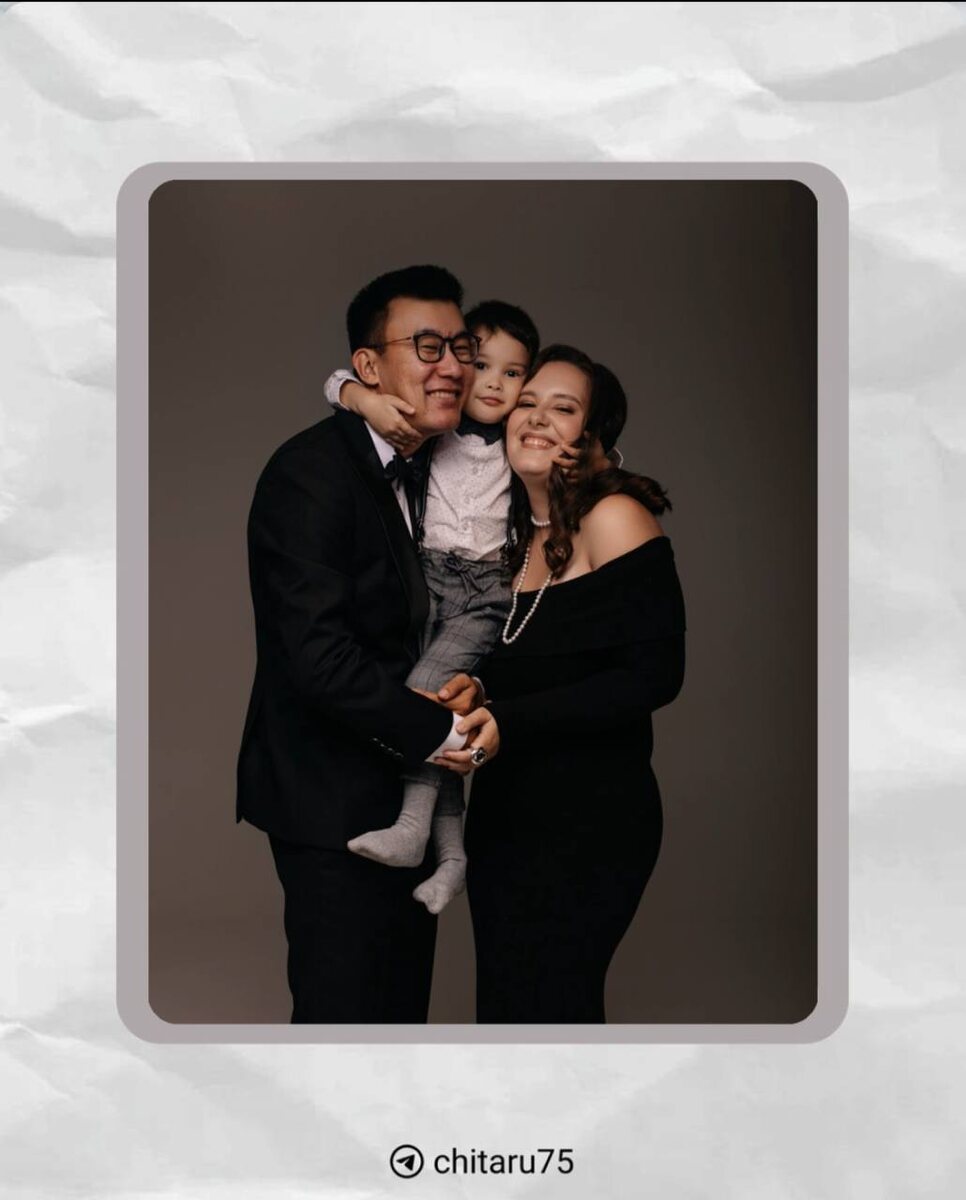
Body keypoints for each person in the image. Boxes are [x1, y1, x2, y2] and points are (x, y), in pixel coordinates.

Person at [236, 264, 479, 1023]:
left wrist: (469, 691)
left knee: (399, 1024)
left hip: (410, 794)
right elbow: (318, 659)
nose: (452, 365)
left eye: (461, 347)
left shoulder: (447, 463)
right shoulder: (309, 474)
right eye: (428, 346)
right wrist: (448, 733)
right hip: (331, 803)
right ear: (370, 367)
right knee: (342, 1026)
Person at [436, 344, 687, 1024]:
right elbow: (534, 670)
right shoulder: (512, 544)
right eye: (527, 402)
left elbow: (655, 675)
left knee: (556, 1015)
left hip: (591, 821)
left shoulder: (617, 518)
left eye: (564, 407)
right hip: (506, 818)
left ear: (593, 436)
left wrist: (510, 722)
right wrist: (477, 694)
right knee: (506, 1016)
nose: (538, 417)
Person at [321, 300, 542, 914]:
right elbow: (336, 381)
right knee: (445, 716)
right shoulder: (433, 427)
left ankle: (413, 830)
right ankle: (451, 860)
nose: (493, 383)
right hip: (427, 581)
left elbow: (579, 446)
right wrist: (363, 400)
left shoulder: (519, 442)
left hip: (483, 596)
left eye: (513, 373)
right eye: (482, 364)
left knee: (424, 698)